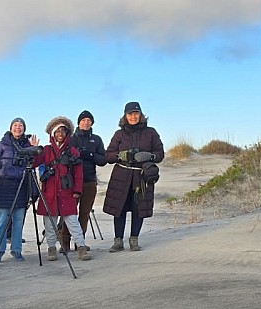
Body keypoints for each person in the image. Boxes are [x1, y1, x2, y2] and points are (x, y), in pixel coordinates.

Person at [103, 101, 165, 251]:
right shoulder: (119, 134)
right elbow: (108, 156)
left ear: (141, 115)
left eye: (136, 113)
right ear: (125, 116)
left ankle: (134, 240)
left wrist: (149, 155)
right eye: (130, 114)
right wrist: (120, 155)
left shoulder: (151, 132)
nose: (133, 116)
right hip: (121, 175)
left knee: (139, 208)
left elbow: (160, 154)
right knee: (119, 208)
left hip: (142, 176)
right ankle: (118, 241)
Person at [34, 117, 90, 261]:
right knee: (50, 223)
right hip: (49, 193)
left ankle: (81, 247)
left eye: (63, 130)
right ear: (52, 133)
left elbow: (78, 173)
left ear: (67, 133)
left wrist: (77, 190)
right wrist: (33, 150)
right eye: (57, 131)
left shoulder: (72, 152)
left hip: (67, 192)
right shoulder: (45, 150)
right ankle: (51, 248)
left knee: (72, 221)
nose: (60, 133)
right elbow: (33, 163)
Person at [0, 117, 41, 262]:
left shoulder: (28, 145)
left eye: (21, 125)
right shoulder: (1, 144)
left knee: (18, 221)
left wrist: (34, 150)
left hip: (22, 186)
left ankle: (16, 250)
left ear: (24, 128)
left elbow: (33, 165)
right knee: (2, 221)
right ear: (10, 127)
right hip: (4, 186)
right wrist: (4, 172)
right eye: (15, 125)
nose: (18, 127)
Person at [60, 110, 106, 251]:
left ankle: (80, 242)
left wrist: (90, 155)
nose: (86, 123)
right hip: (71, 182)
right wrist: (76, 155)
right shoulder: (71, 139)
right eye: (83, 120)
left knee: (84, 212)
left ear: (92, 122)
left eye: (88, 120)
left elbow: (103, 160)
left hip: (90, 180)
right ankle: (65, 242)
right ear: (79, 122)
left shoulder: (96, 139)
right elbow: (63, 157)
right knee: (69, 212)